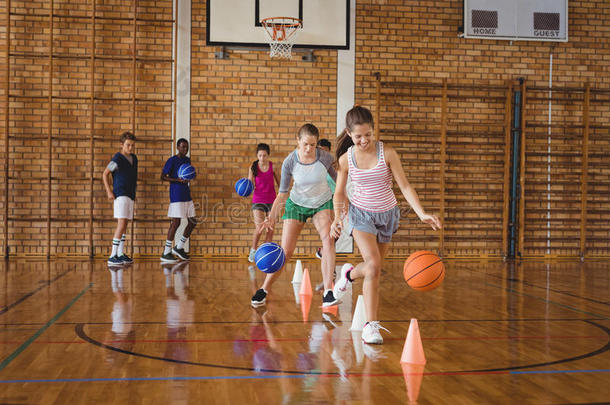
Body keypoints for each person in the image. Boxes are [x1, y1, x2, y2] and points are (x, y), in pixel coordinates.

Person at [330, 106, 442, 345]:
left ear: (373, 129)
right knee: (373, 265)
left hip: (387, 215)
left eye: (368, 134)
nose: (364, 140)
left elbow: (405, 186)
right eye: (358, 136)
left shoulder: (387, 153)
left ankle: (348, 274)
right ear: (349, 134)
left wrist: (421, 213)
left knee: (374, 269)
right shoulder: (345, 159)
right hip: (361, 215)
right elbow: (339, 193)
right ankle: (371, 326)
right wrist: (338, 219)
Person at [251, 124, 338, 308]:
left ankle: (329, 292)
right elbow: (282, 194)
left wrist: (341, 210)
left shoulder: (325, 158)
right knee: (286, 251)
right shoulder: (290, 162)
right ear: (298, 141)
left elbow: (338, 184)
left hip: (321, 202)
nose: (309, 148)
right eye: (305, 144)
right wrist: (271, 218)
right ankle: (264, 289)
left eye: (313, 145)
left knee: (328, 240)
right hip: (296, 204)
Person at [102, 131, 138, 265]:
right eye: (128, 145)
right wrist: (109, 191)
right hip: (120, 194)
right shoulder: (117, 158)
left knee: (125, 224)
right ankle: (112, 256)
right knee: (121, 223)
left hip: (130, 195)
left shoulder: (134, 159)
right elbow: (105, 174)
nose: (130, 148)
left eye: (132, 145)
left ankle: (120, 253)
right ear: (122, 145)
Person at [160, 138, 197, 263]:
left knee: (193, 222)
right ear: (177, 147)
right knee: (176, 223)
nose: (185, 149)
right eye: (183, 147)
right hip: (176, 195)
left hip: (186, 194)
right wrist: (178, 180)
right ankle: (166, 252)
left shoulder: (187, 160)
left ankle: (179, 247)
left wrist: (191, 175)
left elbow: (189, 174)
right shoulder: (172, 160)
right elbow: (163, 177)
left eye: (187, 147)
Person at [247, 143, 280, 262]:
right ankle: (253, 250)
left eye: (264, 156)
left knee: (270, 229)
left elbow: (281, 184)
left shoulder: (273, 167)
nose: (262, 158)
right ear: (257, 155)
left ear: (268, 155)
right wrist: (245, 189)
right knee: (260, 228)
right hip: (258, 200)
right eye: (260, 156)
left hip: (272, 200)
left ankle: (265, 253)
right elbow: (249, 185)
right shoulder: (253, 167)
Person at [314, 139, 336, 260]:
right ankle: (329, 265)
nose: (323, 154)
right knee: (329, 234)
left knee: (336, 232)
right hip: (324, 200)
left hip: (336, 198)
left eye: (325, 151)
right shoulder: (314, 166)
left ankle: (323, 251)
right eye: (320, 151)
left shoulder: (333, 164)